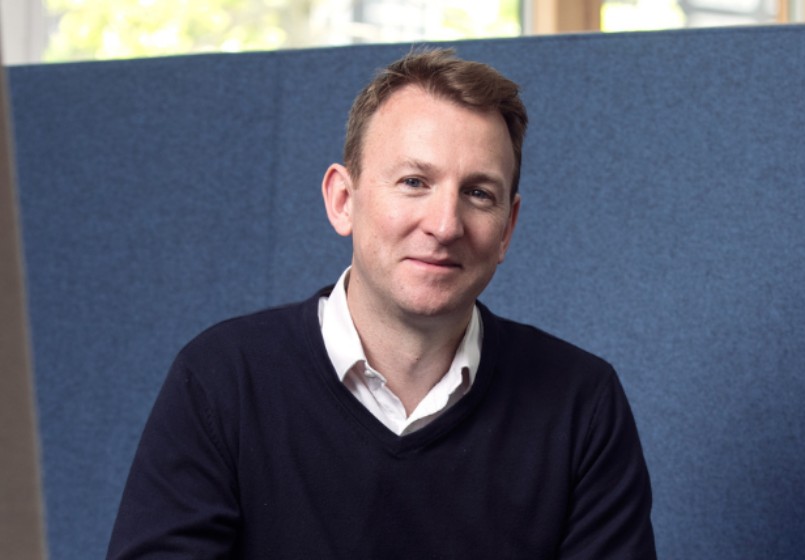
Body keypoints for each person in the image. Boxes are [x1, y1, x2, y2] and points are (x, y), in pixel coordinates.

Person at [106, 48, 656, 559]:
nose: (444, 225)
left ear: (507, 229)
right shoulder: (223, 380)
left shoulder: (581, 404)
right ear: (344, 201)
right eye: (415, 181)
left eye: (478, 193)